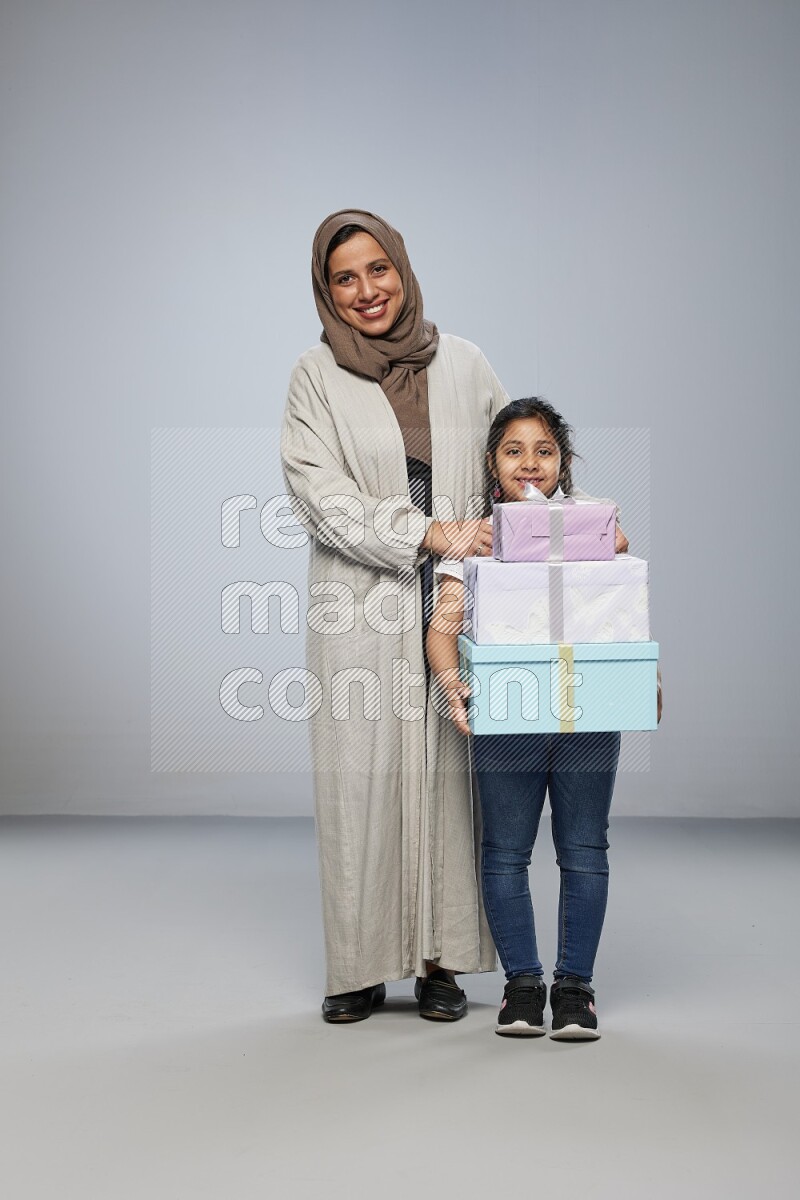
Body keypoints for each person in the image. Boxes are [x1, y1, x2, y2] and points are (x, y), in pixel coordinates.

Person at [280, 209, 509, 1023]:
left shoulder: (467, 364)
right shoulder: (316, 376)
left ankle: (440, 962)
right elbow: (320, 495)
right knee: (359, 782)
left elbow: (515, 465)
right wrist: (423, 530)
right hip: (360, 603)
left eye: (379, 269)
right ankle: (358, 966)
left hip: (452, 603)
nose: (367, 290)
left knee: (450, 780)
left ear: (403, 270)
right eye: (345, 277)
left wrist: (577, 527)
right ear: (326, 291)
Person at [426, 397, 656, 1040]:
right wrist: (452, 684)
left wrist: (644, 672)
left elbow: (620, 602)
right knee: (505, 852)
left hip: (587, 711)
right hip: (508, 714)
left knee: (583, 848)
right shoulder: (476, 538)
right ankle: (522, 988)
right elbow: (443, 628)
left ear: (565, 460)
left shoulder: (594, 522)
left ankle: (576, 991)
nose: (530, 463)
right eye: (513, 450)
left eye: (545, 450)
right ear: (492, 464)